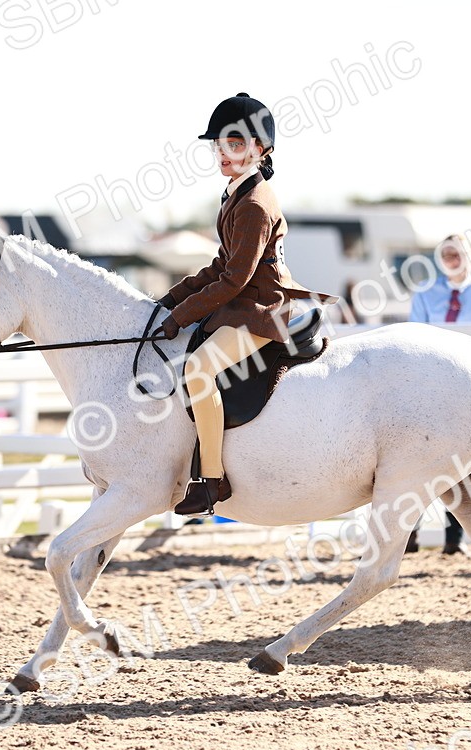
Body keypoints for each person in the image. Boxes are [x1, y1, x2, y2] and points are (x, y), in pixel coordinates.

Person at [155, 93, 336, 516]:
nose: (222, 153)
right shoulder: (236, 194)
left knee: (198, 370)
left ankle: (212, 479)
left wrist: (181, 316)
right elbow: (220, 263)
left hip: (261, 311)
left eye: (233, 144)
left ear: (260, 149)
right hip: (243, 304)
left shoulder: (254, 203)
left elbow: (234, 278)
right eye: (217, 145)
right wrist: (170, 300)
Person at [407, 235, 471, 554]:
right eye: (445, 253)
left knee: (461, 462)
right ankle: (410, 534)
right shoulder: (424, 294)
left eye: (457, 253)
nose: (451, 258)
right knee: (414, 459)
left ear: (470, 256)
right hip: (427, 385)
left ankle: (454, 539)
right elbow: (415, 337)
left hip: (464, 387)